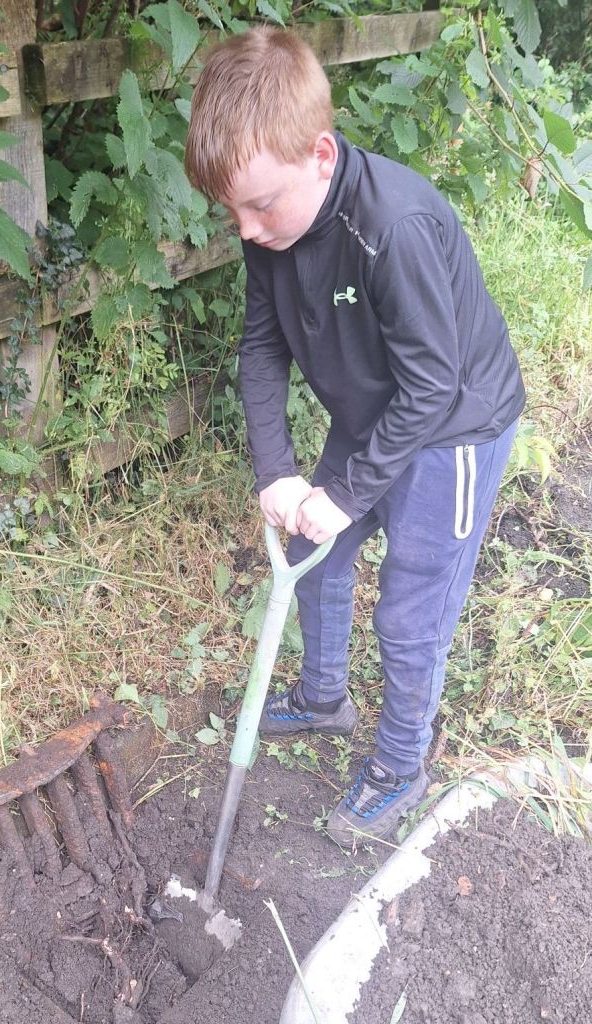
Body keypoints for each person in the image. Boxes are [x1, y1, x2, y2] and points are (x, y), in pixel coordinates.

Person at [183, 26, 525, 846]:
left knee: (409, 613)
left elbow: (433, 384)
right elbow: (262, 350)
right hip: (375, 414)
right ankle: (323, 697)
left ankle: (402, 764)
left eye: (260, 204)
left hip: (455, 429)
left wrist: (346, 492)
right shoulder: (273, 233)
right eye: (231, 210)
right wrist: (278, 471)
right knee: (315, 555)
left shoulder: (391, 227)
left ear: (321, 156)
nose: (245, 229)